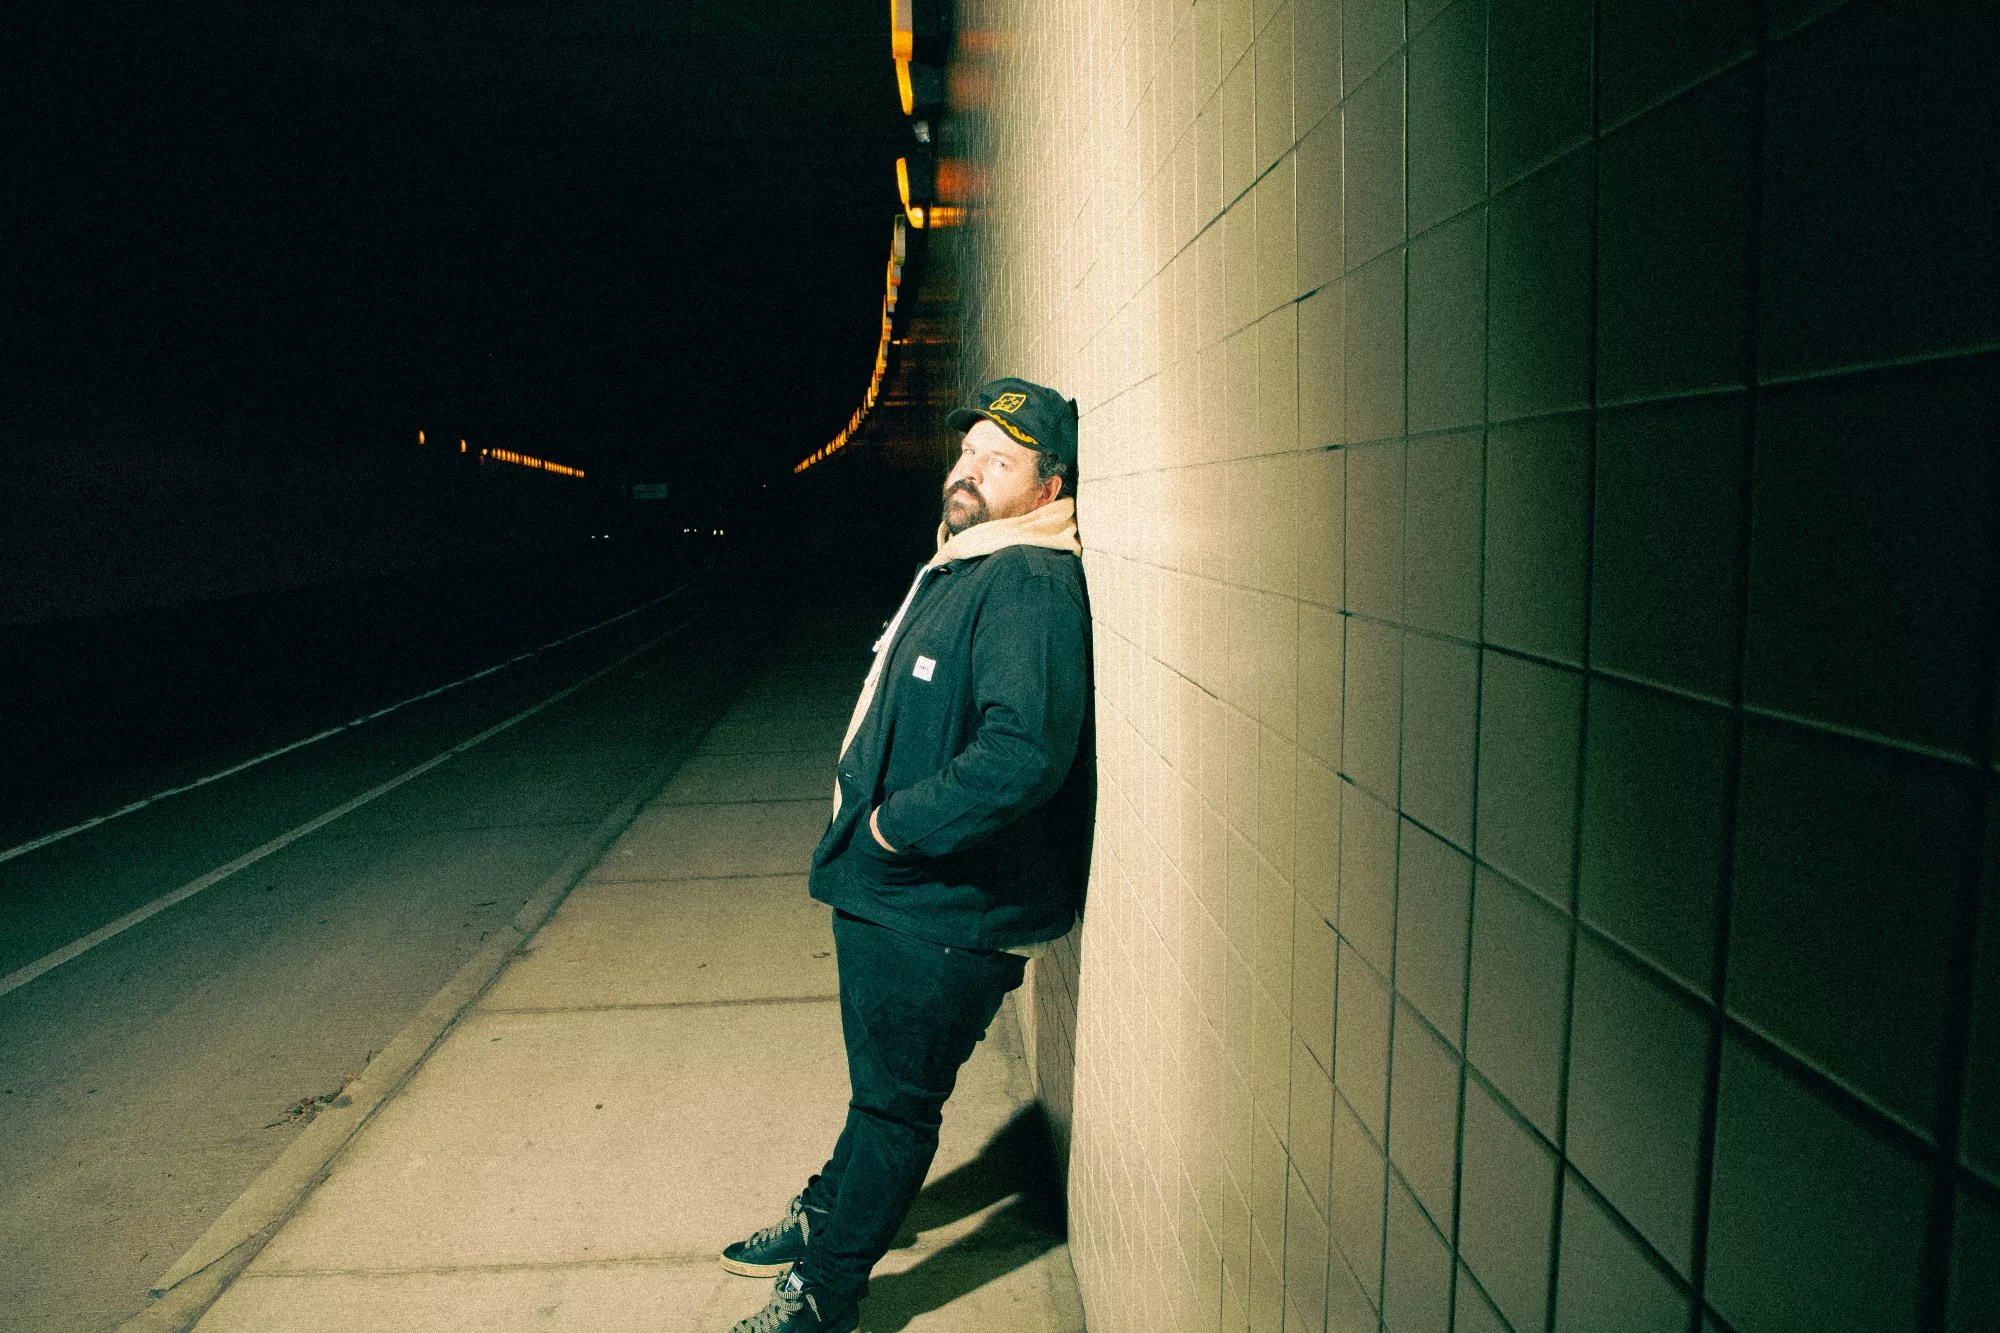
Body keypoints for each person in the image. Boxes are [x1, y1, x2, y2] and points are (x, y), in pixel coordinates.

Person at [720, 377, 1095, 1333]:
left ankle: (829, 1294)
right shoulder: (973, 558)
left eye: (999, 462)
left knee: (897, 1110)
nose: (968, 471)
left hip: (939, 912)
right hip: (903, 898)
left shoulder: (1026, 581)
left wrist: (890, 828)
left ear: (1048, 488)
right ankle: (824, 1214)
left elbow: (1022, 754)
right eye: (969, 452)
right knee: (882, 1088)